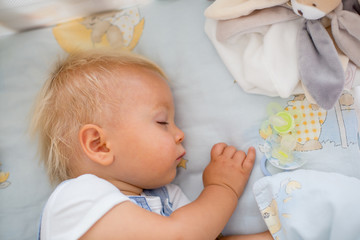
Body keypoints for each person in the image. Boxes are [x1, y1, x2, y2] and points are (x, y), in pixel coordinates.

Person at [31, 49, 272, 240]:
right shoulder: (77, 198)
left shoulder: (167, 198)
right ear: (99, 145)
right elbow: (181, 235)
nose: (180, 134)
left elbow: (202, 233)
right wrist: (223, 187)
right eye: (162, 122)